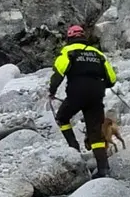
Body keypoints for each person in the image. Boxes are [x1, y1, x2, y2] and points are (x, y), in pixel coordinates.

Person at [48, 24, 117, 179]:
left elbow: (58, 72)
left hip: (76, 93)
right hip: (96, 94)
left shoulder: (67, 51)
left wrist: (52, 91)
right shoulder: (98, 53)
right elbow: (112, 79)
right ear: (84, 37)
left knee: (62, 117)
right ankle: (103, 169)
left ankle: (74, 148)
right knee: (95, 133)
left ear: (69, 38)